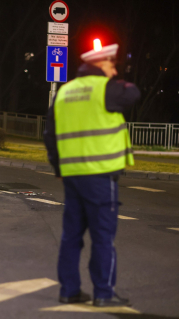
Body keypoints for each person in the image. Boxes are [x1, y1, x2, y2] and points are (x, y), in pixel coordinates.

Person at [44, 42, 140, 307]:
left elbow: (49, 134)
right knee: (103, 237)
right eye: (112, 64)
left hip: (72, 175)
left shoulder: (64, 92)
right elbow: (133, 94)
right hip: (100, 176)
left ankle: (69, 291)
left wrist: (58, 168)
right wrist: (115, 78)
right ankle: (103, 294)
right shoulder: (107, 88)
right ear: (102, 64)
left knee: (71, 235)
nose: (114, 69)